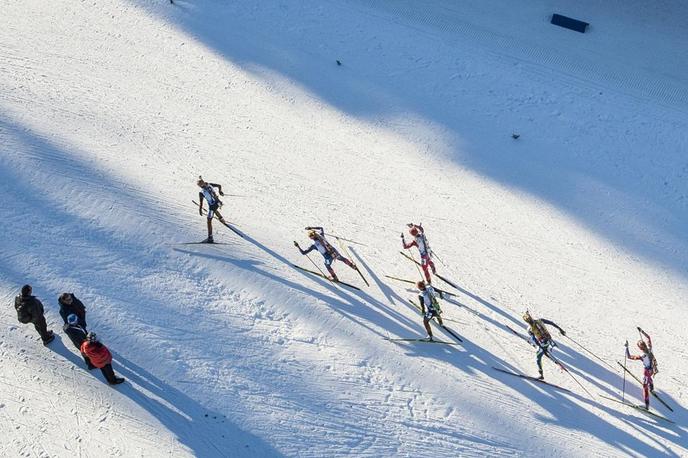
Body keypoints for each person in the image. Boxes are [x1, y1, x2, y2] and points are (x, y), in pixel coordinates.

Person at [522, 311, 565, 380]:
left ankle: (541, 374)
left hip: (543, 344)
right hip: (549, 340)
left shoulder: (529, 329)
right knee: (543, 349)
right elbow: (551, 323)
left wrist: (541, 347)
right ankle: (545, 350)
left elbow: (535, 340)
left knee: (538, 358)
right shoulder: (540, 320)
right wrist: (560, 329)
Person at [625, 327, 658, 410]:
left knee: (644, 387)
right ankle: (652, 388)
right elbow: (648, 337)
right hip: (652, 369)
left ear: (640, 348)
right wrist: (642, 331)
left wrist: (626, 347)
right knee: (649, 378)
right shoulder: (650, 349)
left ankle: (646, 405)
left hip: (647, 371)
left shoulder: (642, 355)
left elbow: (629, 357)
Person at [196, 176, 226, 243]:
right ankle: (221, 219)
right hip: (218, 203)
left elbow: (201, 202)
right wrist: (220, 191)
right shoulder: (209, 184)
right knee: (215, 210)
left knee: (209, 221)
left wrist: (200, 209)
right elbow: (219, 185)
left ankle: (210, 237)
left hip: (212, 206)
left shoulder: (201, 193)